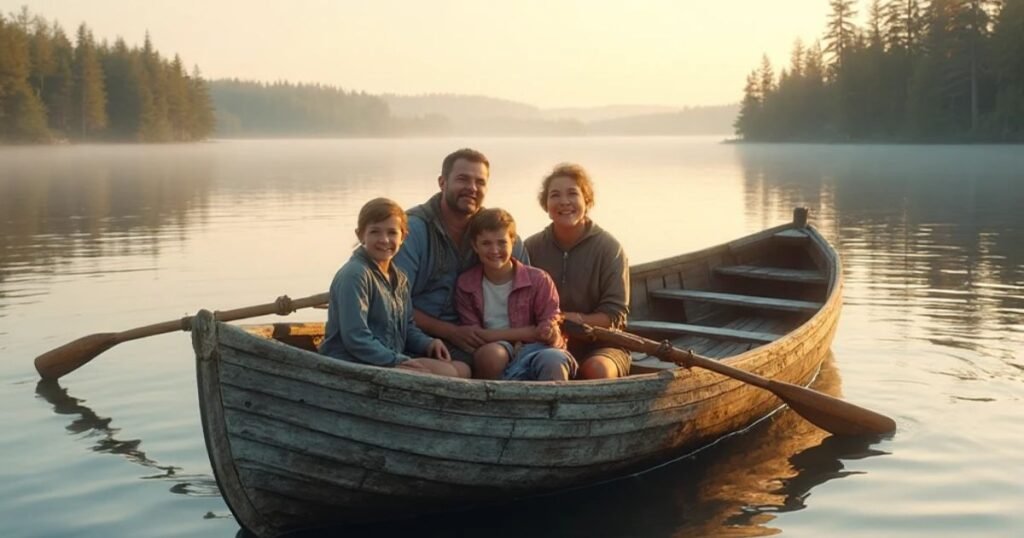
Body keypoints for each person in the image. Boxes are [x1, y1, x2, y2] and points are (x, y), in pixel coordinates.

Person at [394, 148, 528, 377]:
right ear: (442, 182)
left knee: (491, 360)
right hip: (413, 337)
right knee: (457, 373)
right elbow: (393, 304)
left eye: (480, 182)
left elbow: (528, 291)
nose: (472, 188)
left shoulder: (497, 232)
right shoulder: (413, 230)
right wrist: (450, 331)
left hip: (482, 339)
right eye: (463, 179)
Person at [318, 197, 463, 377]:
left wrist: (428, 343)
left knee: (462, 370)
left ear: (404, 237)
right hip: (351, 363)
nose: (384, 240)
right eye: (375, 232)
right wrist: (396, 361)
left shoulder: (399, 278)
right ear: (360, 235)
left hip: (386, 359)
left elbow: (407, 327)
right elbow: (356, 337)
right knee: (448, 374)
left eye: (392, 233)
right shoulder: (355, 275)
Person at [524, 163, 631, 379]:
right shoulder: (531, 247)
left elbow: (614, 316)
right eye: (555, 195)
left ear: (587, 201)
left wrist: (568, 318)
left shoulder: (609, 248)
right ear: (546, 204)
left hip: (602, 345)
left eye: (573, 193)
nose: (564, 201)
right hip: (546, 342)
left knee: (595, 369)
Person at [454, 208, 577, 381]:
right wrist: (527, 331)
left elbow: (549, 322)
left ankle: (553, 406)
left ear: (513, 242)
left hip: (536, 347)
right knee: (492, 356)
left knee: (554, 360)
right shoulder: (466, 284)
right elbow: (476, 335)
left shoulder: (539, 279)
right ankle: (497, 405)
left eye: (502, 242)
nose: (495, 250)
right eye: (486, 243)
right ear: (475, 246)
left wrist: (547, 331)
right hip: (493, 347)